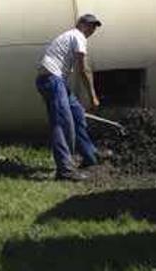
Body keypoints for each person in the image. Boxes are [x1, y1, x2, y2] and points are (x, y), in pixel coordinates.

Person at [36, 14, 108, 181]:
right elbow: (84, 70)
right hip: (51, 79)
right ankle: (65, 170)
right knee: (62, 123)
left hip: (56, 80)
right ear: (80, 24)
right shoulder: (78, 36)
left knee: (77, 114)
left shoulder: (72, 36)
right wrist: (93, 96)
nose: (92, 29)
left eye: (95, 27)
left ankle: (90, 155)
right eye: (90, 25)